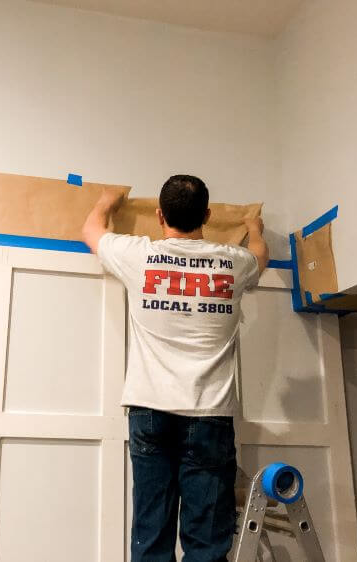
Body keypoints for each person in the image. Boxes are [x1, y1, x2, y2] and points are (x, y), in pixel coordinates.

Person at [81, 175, 268, 561]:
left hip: (150, 411)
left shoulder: (139, 255)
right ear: (208, 215)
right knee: (206, 541)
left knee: (151, 533)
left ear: (159, 215)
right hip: (209, 415)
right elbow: (260, 256)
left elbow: (91, 230)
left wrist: (108, 200)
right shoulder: (234, 263)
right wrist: (254, 228)